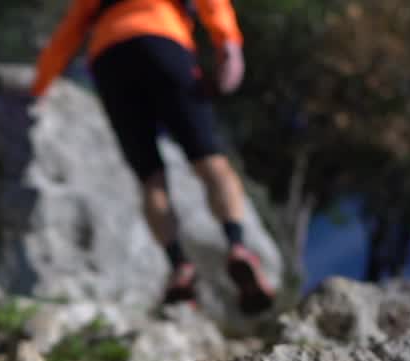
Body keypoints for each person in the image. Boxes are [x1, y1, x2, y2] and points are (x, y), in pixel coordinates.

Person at [30, 0, 275, 314]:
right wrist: (228, 43)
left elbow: (68, 33)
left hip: (110, 59)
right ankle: (237, 244)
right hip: (163, 41)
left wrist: (39, 86)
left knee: (150, 176)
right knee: (208, 159)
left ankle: (178, 264)